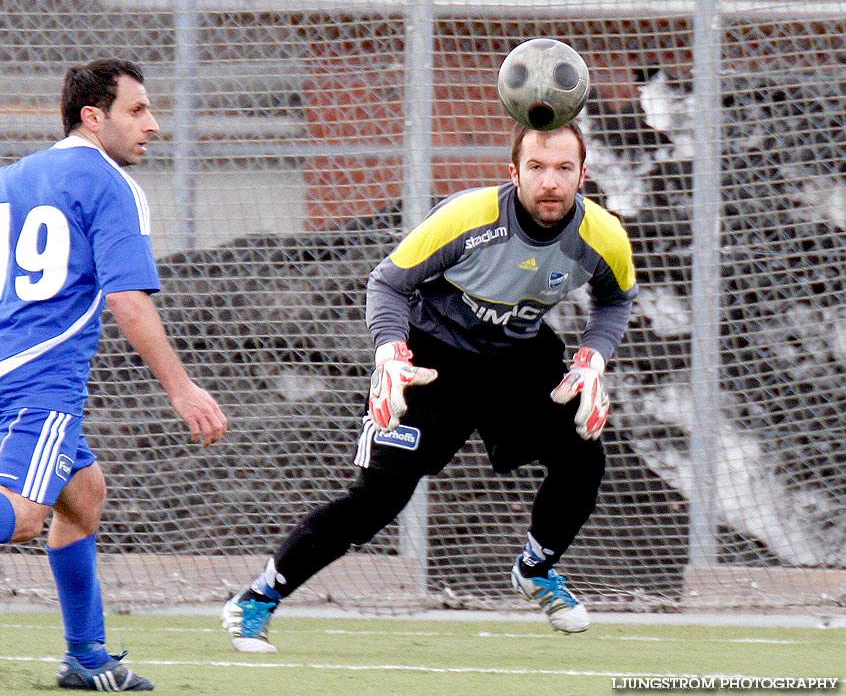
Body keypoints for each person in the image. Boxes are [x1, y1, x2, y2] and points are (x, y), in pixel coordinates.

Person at [221, 121, 636, 652]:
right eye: (535, 167)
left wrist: (594, 358)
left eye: (562, 169)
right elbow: (388, 282)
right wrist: (391, 354)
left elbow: (617, 298)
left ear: (583, 175)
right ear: (513, 173)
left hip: (518, 355)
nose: (549, 182)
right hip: (434, 357)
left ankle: (536, 568)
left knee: (585, 459)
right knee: (378, 500)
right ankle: (256, 600)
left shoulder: (601, 236)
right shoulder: (469, 217)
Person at [0, 59, 228, 691]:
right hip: (39, 382)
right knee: (21, 516)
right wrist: (183, 389)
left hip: (10, 366)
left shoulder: (14, 176)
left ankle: (86, 657)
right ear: (92, 117)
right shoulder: (109, 184)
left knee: (85, 492)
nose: (153, 125)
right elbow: (127, 299)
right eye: (137, 111)